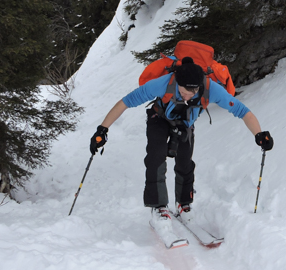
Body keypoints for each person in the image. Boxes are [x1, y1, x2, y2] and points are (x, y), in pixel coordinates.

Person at [90, 56, 273, 224]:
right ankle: (158, 206)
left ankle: (184, 204)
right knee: (156, 157)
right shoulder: (162, 84)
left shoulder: (211, 89)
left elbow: (242, 111)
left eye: (193, 92)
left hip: (185, 123)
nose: (188, 96)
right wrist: (102, 129)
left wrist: (259, 133)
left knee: (185, 163)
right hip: (159, 119)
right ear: (177, 82)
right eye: (184, 91)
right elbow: (126, 102)